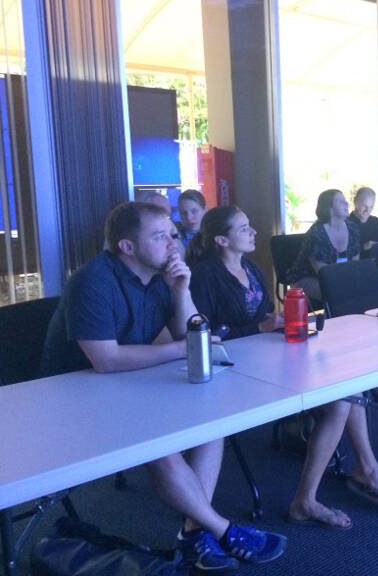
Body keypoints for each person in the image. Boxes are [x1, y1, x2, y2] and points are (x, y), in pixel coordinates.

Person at [40, 201, 286, 572]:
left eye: (172, 234)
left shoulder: (160, 278)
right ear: (127, 246)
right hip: (70, 401)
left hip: (126, 386)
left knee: (212, 424)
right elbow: (106, 360)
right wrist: (179, 350)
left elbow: (193, 332)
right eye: (159, 237)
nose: (173, 243)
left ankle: (193, 533)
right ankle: (222, 530)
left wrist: (181, 291)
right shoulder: (93, 282)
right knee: (162, 445)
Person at [187, 206, 284, 338]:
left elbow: (263, 313)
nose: (253, 232)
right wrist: (259, 328)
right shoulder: (204, 275)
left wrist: (275, 319)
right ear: (222, 240)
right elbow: (205, 334)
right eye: (244, 229)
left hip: (260, 346)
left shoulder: (253, 269)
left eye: (249, 226)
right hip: (227, 353)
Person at [287, 189, 361, 302]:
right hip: (308, 277)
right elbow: (323, 273)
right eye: (341, 201)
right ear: (329, 208)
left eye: (345, 200)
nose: (347, 204)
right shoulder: (317, 233)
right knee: (338, 292)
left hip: (341, 277)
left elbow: (355, 265)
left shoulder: (353, 229)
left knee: (362, 287)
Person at [141, 191, 184, 260]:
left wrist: (175, 235)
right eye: (160, 210)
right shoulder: (144, 232)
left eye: (167, 208)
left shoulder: (174, 228)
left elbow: (180, 258)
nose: (166, 213)